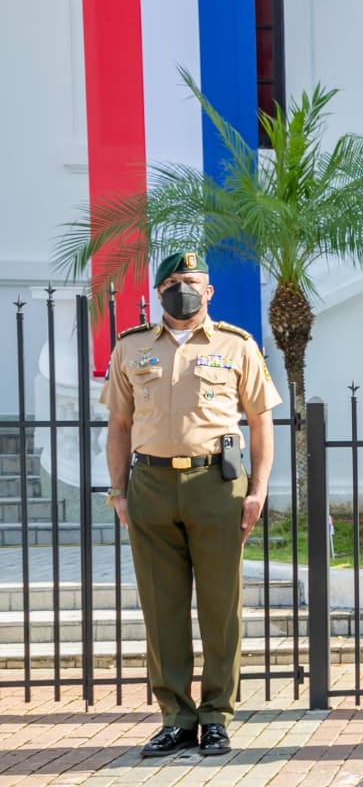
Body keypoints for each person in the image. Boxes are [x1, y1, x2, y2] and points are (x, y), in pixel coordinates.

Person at [100, 251, 281, 758]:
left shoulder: (237, 345)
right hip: (151, 485)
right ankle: (176, 717)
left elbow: (261, 421)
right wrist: (118, 491)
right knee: (163, 608)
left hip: (216, 484)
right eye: (175, 281)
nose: (184, 289)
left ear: (210, 292)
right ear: (159, 292)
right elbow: (117, 425)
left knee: (221, 605)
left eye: (193, 281)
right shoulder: (131, 348)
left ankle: (217, 715)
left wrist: (258, 489)